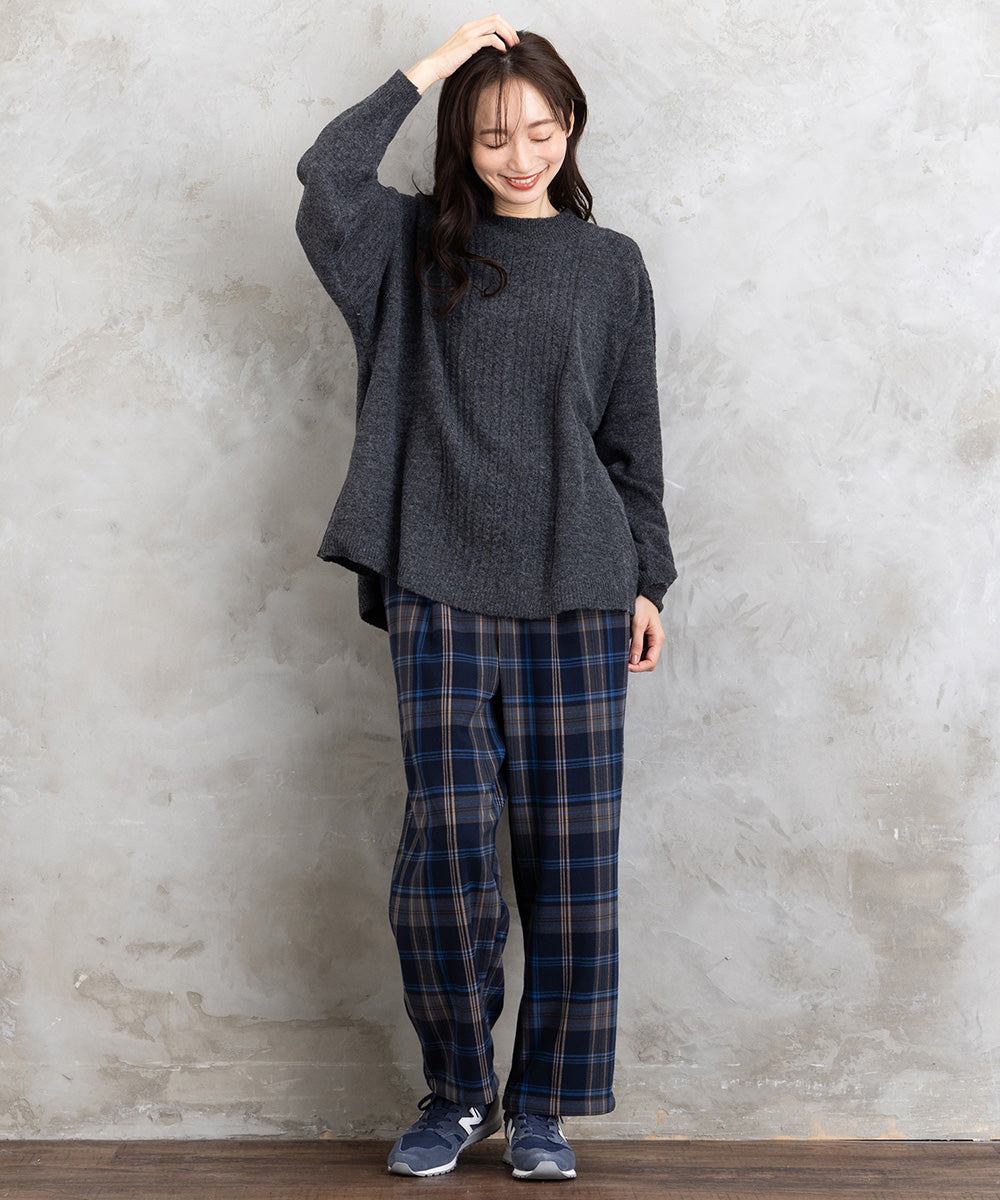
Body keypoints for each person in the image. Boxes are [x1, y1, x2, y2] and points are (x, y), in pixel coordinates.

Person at [295, 14, 677, 1182]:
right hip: (438, 580)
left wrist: (649, 578)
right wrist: (436, 64)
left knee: (570, 858)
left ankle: (544, 1105)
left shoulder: (610, 266)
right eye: (496, 134)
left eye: (543, 131)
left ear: (572, 130)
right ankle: (459, 1091)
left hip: (581, 586)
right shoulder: (405, 247)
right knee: (448, 849)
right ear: (461, 138)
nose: (522, 155)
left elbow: (632, 439)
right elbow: (325, 175)